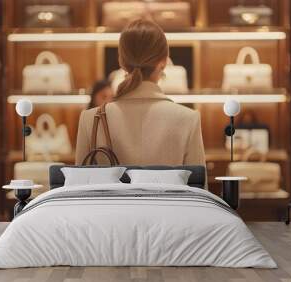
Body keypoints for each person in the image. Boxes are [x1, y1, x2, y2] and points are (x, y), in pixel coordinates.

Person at [75, 19, 206, 173]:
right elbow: (198, 192)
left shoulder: (90, 119)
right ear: (163, 62)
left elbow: (79, 191)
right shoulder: (189, 119)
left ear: (121, 61)